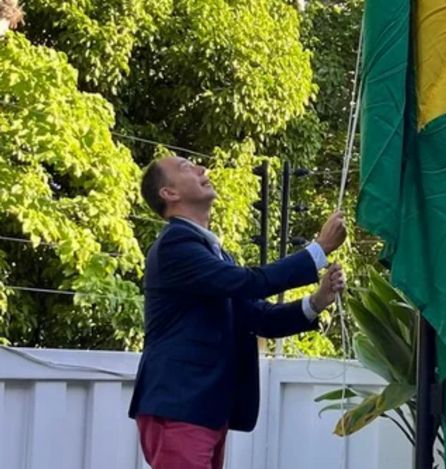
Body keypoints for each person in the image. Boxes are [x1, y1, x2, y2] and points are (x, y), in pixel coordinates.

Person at [128, 155, 346, 469]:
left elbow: (260, 318)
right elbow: (250, 283)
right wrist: (318, 250)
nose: (202, 169)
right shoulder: (176, 245)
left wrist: (318, 300)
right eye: (186, 167)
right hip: (179, 404)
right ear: (169, 193)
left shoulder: (214, 253)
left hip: (203, 407)